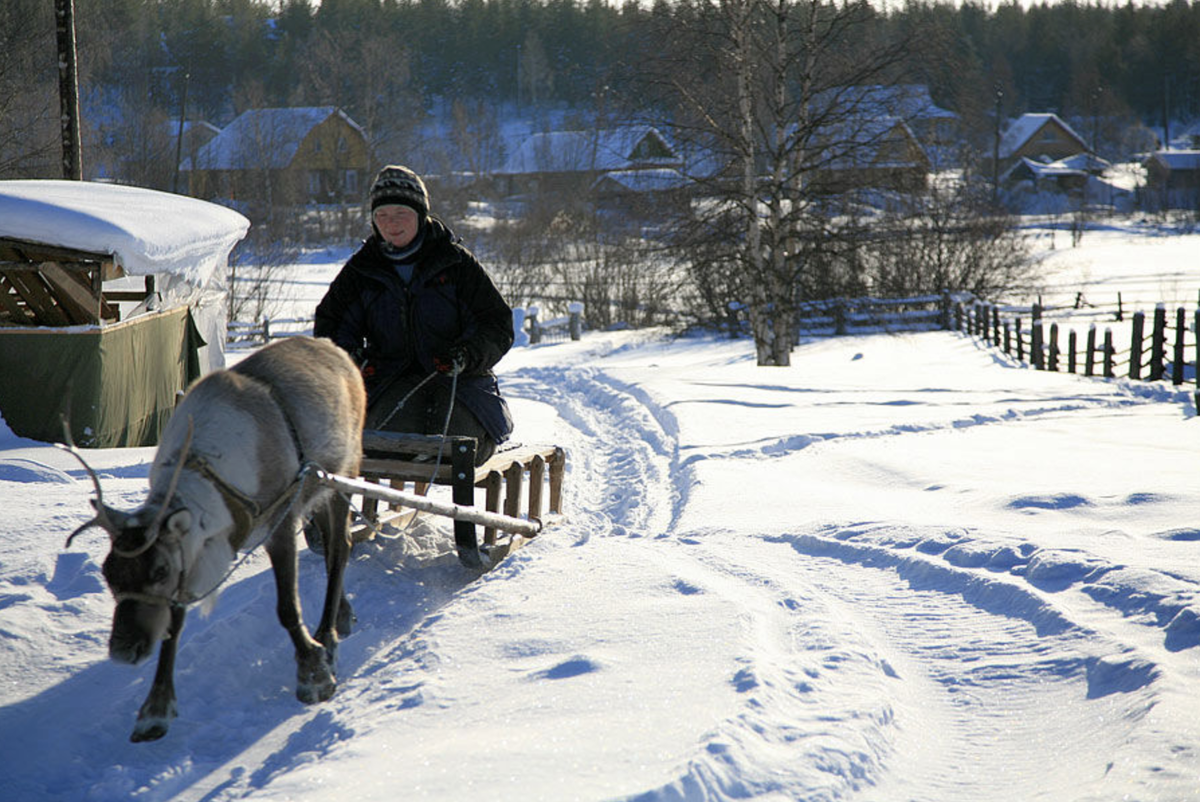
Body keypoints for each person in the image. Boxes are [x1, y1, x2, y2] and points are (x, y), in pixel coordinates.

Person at [314, 165, 514, 465]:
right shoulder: (362, 270)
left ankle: (461, 509)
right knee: (381, 444)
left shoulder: (455, 263)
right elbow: (332, 326)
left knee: (459, 448)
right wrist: (354, 359)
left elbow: (495, 324)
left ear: (420, 215)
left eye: (400, 213)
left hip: (459, 381)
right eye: (382, 215)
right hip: (389, 380)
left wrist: (467, 356)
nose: (391, 223)